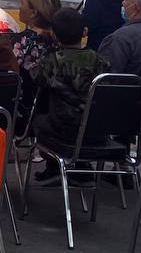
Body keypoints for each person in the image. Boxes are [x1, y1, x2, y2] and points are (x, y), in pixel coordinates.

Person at [30, 9, 109, 183]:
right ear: (85, 32)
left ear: (54, 35)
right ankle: (80, 166)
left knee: (37, 121)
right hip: (96, 130)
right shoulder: (100, 60)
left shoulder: (53, 61)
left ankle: (54, 166)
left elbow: (36, 79)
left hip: (63, 129)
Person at [12, 0, 61, 115]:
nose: (19, 7)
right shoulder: (61, 40)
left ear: (33, 12)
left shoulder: (22, 42)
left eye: (22, 3)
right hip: (53, 110)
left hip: (24, 109)